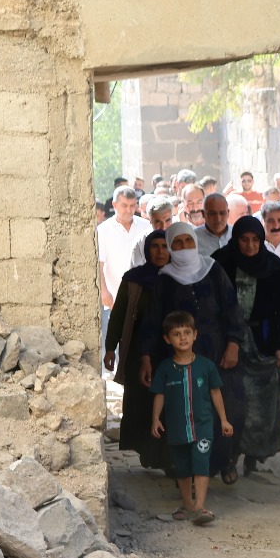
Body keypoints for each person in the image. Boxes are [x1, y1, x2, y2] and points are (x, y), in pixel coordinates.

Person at [140, 222, 244, 482]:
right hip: (178, 359)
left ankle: (225, 461)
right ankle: (190, 471)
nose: (184, 247)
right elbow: (153, 322)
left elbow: (232, 309)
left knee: (228, 408)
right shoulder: (164, 279)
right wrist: (145, 358)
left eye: (188, 241)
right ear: (171, 246)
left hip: (217, 353)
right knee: (185, 413)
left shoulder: (213, 269)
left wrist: (233, 343)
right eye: (178, 242)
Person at [211, 216, 280, 478]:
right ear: (235, 240)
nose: (250, 245)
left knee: (263, 406)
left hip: (264, 343)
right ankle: (229, 456)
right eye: (244, 240)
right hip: (228, 344)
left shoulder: (274, 268)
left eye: (255, 240)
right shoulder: (220, 262)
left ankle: (253, 453)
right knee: (232, 402)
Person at [150, 310, 233, 525]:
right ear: (167, 339)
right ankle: (187, 506)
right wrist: (155, 418)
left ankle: (200, 507)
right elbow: (159, 394)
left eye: (187, 332)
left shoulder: (206, 366)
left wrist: (224, 419)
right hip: (177, 428)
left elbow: (216, 392)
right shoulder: (166, 368)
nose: (183, 337)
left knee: (201, 463)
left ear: (195, 334)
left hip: (203, 426)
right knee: (183, 467)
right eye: (176, 334)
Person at [104, 230, 170, 471]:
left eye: (165, 246)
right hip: (136, 350)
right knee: (141, 402)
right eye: (155, 246)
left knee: (165, 403)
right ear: (147, 249)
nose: (160, 251)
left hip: (169, 351)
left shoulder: (179, 277)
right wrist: (110, 347)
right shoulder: (134, 278)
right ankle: (146, 450)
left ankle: (164, 454)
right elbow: (119, 313)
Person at [97, 185, 150, 346]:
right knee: (118, 340)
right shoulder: (103, 230)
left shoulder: (146, 226)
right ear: (114, 205)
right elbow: (99, 265)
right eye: (124, 205)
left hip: (143, 294)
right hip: (115, 296)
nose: (129, 210)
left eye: (132, 205)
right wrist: (104, 291)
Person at [195, 193, 232, 257]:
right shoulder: (193, 238)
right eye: (212, 214)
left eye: (222, 213)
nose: (218, 219)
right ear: (203, 214)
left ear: (228, 213)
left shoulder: (237, 235)